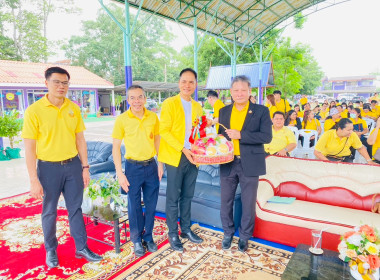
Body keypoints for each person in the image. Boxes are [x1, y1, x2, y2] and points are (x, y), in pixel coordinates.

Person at [21, 67, 102, 268]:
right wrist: (33, 179)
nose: (61, 86)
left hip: (73, 166)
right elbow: (30, 148)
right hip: (48, 169)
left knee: (75, 208)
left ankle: (81, 247)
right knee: (49, 210)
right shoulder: (34, 111)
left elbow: (80, 139)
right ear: (46, 83)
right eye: (56, 82)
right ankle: (50, 250)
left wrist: (85, 167)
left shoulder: (73, 108)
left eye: (65, 83)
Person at [218, 75, 272, 252]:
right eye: (236, 90)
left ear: (249, 91)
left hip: (250, 162)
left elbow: (266, 137)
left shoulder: (261, 111)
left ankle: (244, 237)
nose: (239, 93)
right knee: (225, 200)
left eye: (243, 90)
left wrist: (241, 135)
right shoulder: (224, 111)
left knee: (248, 202)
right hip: (228, 162)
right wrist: (217, 140)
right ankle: (227, 233)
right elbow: (222, 136)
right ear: (231, 92)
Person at [158, 68, 208, 252]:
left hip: (193, 157)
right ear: (179, 83)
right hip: (175, 155)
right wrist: (183, 149)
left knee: (188, 195)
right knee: (173, 196)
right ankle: (173, 233)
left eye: (191, 82)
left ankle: (185, 229)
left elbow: (200, 131)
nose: (187, 85)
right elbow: (164, 130)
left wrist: (201, 149)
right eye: (184, 81)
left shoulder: (197, 106)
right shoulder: (169, 103)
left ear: (195, 85)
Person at [112, 85, 163, 257]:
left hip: (151, 166)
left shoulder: (153, 117)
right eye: (133, 98)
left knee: (151, 204)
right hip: (132, 168)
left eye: (140, 97)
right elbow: (116, 148)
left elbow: (158, 141)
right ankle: (136, 240)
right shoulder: (122, 119)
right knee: (133, 206)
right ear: (128, 100)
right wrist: (120, 173)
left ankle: (148, 237)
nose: (137, 101)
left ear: (145, 98)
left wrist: (161, 164)